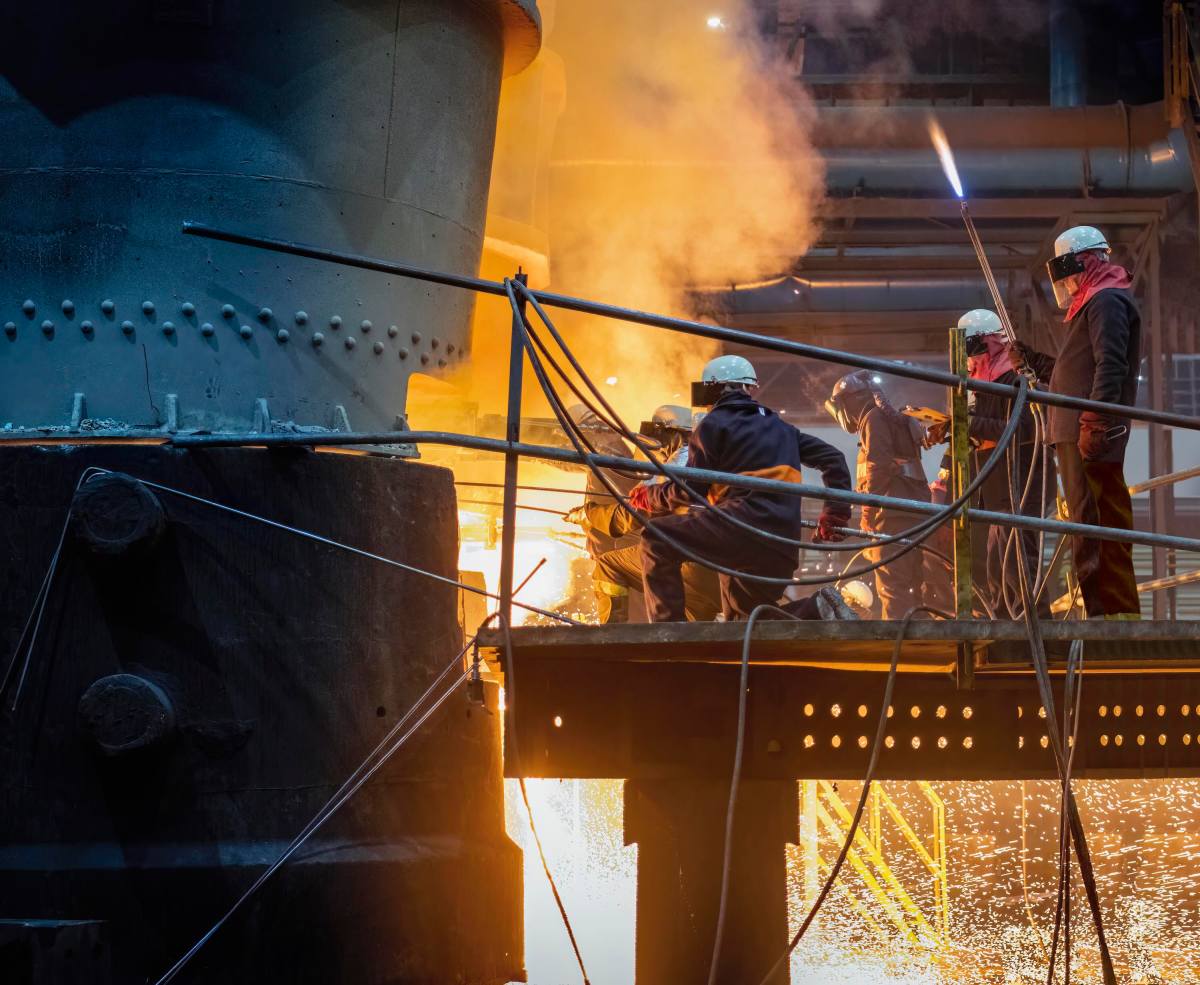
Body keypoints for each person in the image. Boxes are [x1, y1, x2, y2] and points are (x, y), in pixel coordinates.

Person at [636, 355, 854, 622]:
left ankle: (669, 631)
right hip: (782, 545)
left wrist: (649, 496)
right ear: (748, 388)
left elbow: (689, 489)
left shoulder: (713, 424)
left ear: (713, 387)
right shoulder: (782, 428)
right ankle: (817, 609)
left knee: (656, 538)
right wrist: (835, 512)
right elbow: (833, 458)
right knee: (745, 621)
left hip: (741, 527)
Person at [1010, 225, 1142, 620]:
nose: (1065, 284)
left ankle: (1112, 616)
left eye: (1067, 273)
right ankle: (1102, 613)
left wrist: (1096, 421)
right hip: (1079, 430)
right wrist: (1034, 361)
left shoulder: (1106, 301)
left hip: (1089, 431)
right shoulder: (1094, 303)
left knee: (1097, 522)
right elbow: (1076, 375)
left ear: (1082, 263)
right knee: (1087, 523)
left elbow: (1111, 365)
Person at [565, 405, 721, 623]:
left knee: (608, 564)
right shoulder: (721, 458)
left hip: (692, 563)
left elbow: (629, 516)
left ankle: (611, 636)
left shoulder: (676, 464)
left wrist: (588, 515)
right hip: (728, 573)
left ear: (673, 434)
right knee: (694, 620)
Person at [956, 308, 1052, 617]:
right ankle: (1004, 619)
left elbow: (1021, 428)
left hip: (1021, 477)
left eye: (971, 346)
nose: (969, 356)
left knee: (1017, 556)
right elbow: (989, 428)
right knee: (997, 559)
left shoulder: (1015, 377)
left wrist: (971, 424)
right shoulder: (983, 383)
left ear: (987, 341)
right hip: (999, 481)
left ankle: (1034, 621)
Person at [826, 370, 930, 619]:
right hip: (915, 510)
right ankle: (919, 633)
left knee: (892, 584)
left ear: (851, 400)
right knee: (914, 582)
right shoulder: (892, 417)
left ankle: (896, 636)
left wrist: (867, 515)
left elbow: (877, 469)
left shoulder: (874, 418)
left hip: (891, 513)